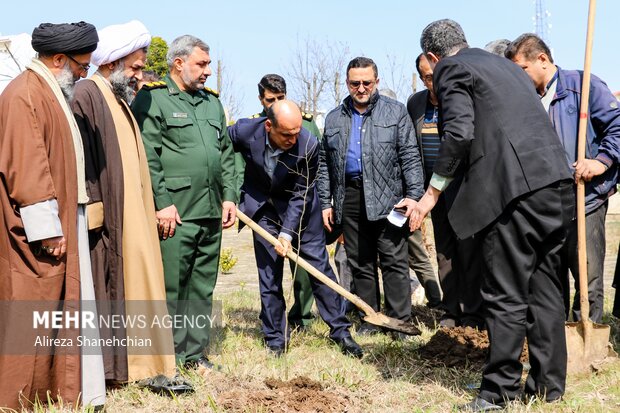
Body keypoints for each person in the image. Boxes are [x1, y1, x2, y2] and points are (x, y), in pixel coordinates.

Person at [412, 19, 574, 410]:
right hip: (555, 183)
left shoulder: (451, 67)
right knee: (546, 288)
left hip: (512, 194)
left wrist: (433, 192)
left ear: (433, 58)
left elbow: (460, 133)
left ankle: (499, 391)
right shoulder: (504, 64)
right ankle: (548, 386)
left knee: (504, 294)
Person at [71, 20, 187, 393]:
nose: (139, 75)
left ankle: (145, 362)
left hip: (133, 212)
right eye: (135, 67)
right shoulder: (88, 93)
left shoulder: (117, 96)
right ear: (111, 62)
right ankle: (120, 368)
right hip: (111, 216)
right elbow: (84, 158)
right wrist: (96, 205)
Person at [0, 22, 106, 409]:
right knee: (35, 304)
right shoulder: (24, 94)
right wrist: (48, 229)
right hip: (38, 226)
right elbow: (27, 168)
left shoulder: (48, 90)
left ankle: (65, 392)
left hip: (63, 217)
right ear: (59, 58)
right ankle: (21, 398)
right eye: (82, 66)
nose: (84, 74)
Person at [132, 35, 237, 370]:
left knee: (201, 287)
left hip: (209, 211)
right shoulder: (154, 100)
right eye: (201, 64)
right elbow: (147, 157)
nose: (208, 71)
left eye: (208, 64)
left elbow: (227, 155)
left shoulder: (211, 104)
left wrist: (230, 196)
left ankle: (193, 354)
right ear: (178, 63)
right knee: (171, 288)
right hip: (175, 213)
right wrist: (161, 203)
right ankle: (167, 357)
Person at [228, 100, 363, 358]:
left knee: (319, 269)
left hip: (301, 213)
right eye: (287, 134)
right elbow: (221, 147)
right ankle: (276, 339)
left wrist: (287, 234)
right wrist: (230, 190)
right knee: (269, 275)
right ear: (269, 126)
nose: (294, 138)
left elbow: (301, 194)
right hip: (263, 210)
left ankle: (341, 331)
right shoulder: (245, 131)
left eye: (297, 131)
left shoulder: (309, 144)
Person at [505, 33, 620, 324]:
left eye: (521, 70)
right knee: (549, 276)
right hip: (543, 204)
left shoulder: (583, 86)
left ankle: (586, 329)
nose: (518, 78)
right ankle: (555, 336)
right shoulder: (524, 99)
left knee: (587, 271)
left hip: (586, 198)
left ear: (541, 59)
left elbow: (617, 128)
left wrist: (600, 162)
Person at [317, 57, 424, 336]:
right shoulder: (333, 118)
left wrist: (414, 196)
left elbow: (410, 156)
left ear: (376, 82)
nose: (361, 88)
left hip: (391, 197)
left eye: (367, 82)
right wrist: (326, 202)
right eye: (355, 83)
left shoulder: (396, 112)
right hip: (349, 195)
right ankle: (371, 319)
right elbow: (325, 165)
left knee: (394, 260)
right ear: (347, 83)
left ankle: (399, 323)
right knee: (360, 260)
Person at [406, 53, 483, 327]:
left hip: (463, 187)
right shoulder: (416, 104)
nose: (433, 83)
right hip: (433, 191)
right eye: (427, 77)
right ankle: (451, 310)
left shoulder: (463, 97)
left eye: (436, 76)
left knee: (469, 250)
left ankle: (473, 312)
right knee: (444, 251)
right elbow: (411, 150)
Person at [241, 73, 322, 331]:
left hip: (299, 206)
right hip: (266, 208)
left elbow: (314, 174)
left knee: (305, 272)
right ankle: (275, 327)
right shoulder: (252, 128)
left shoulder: (306, 127)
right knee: (269, 273)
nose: (273, 102)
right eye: (269, 99)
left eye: (280, 98)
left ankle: (302, 316)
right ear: (261, 99)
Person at [380, 86, 441, 309]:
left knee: (416, 253)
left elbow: (411, 164)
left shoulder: (401, 128)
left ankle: (435, 300)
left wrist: (413, 197)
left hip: (402, 202)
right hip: (382, 202)